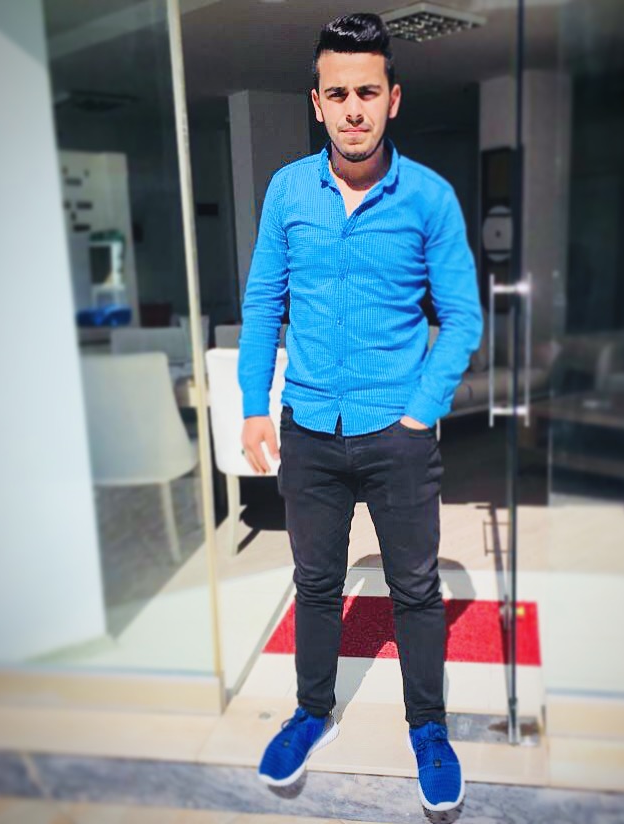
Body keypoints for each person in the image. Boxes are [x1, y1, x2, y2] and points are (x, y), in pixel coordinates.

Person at [238, 12, 482, 813]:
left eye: (366, 93)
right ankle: (311, 713)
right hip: (309, 429)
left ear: (392, 99)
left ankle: (428, 729)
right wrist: (253, 406)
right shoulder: (287, 191)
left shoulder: (429, 198)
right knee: (315, 583)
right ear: (317, 103)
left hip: (397, 437)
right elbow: (262, 304)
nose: (352, 109)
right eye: (337, 93)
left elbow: (463, 318)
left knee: (414, 587)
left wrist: (420, 411)